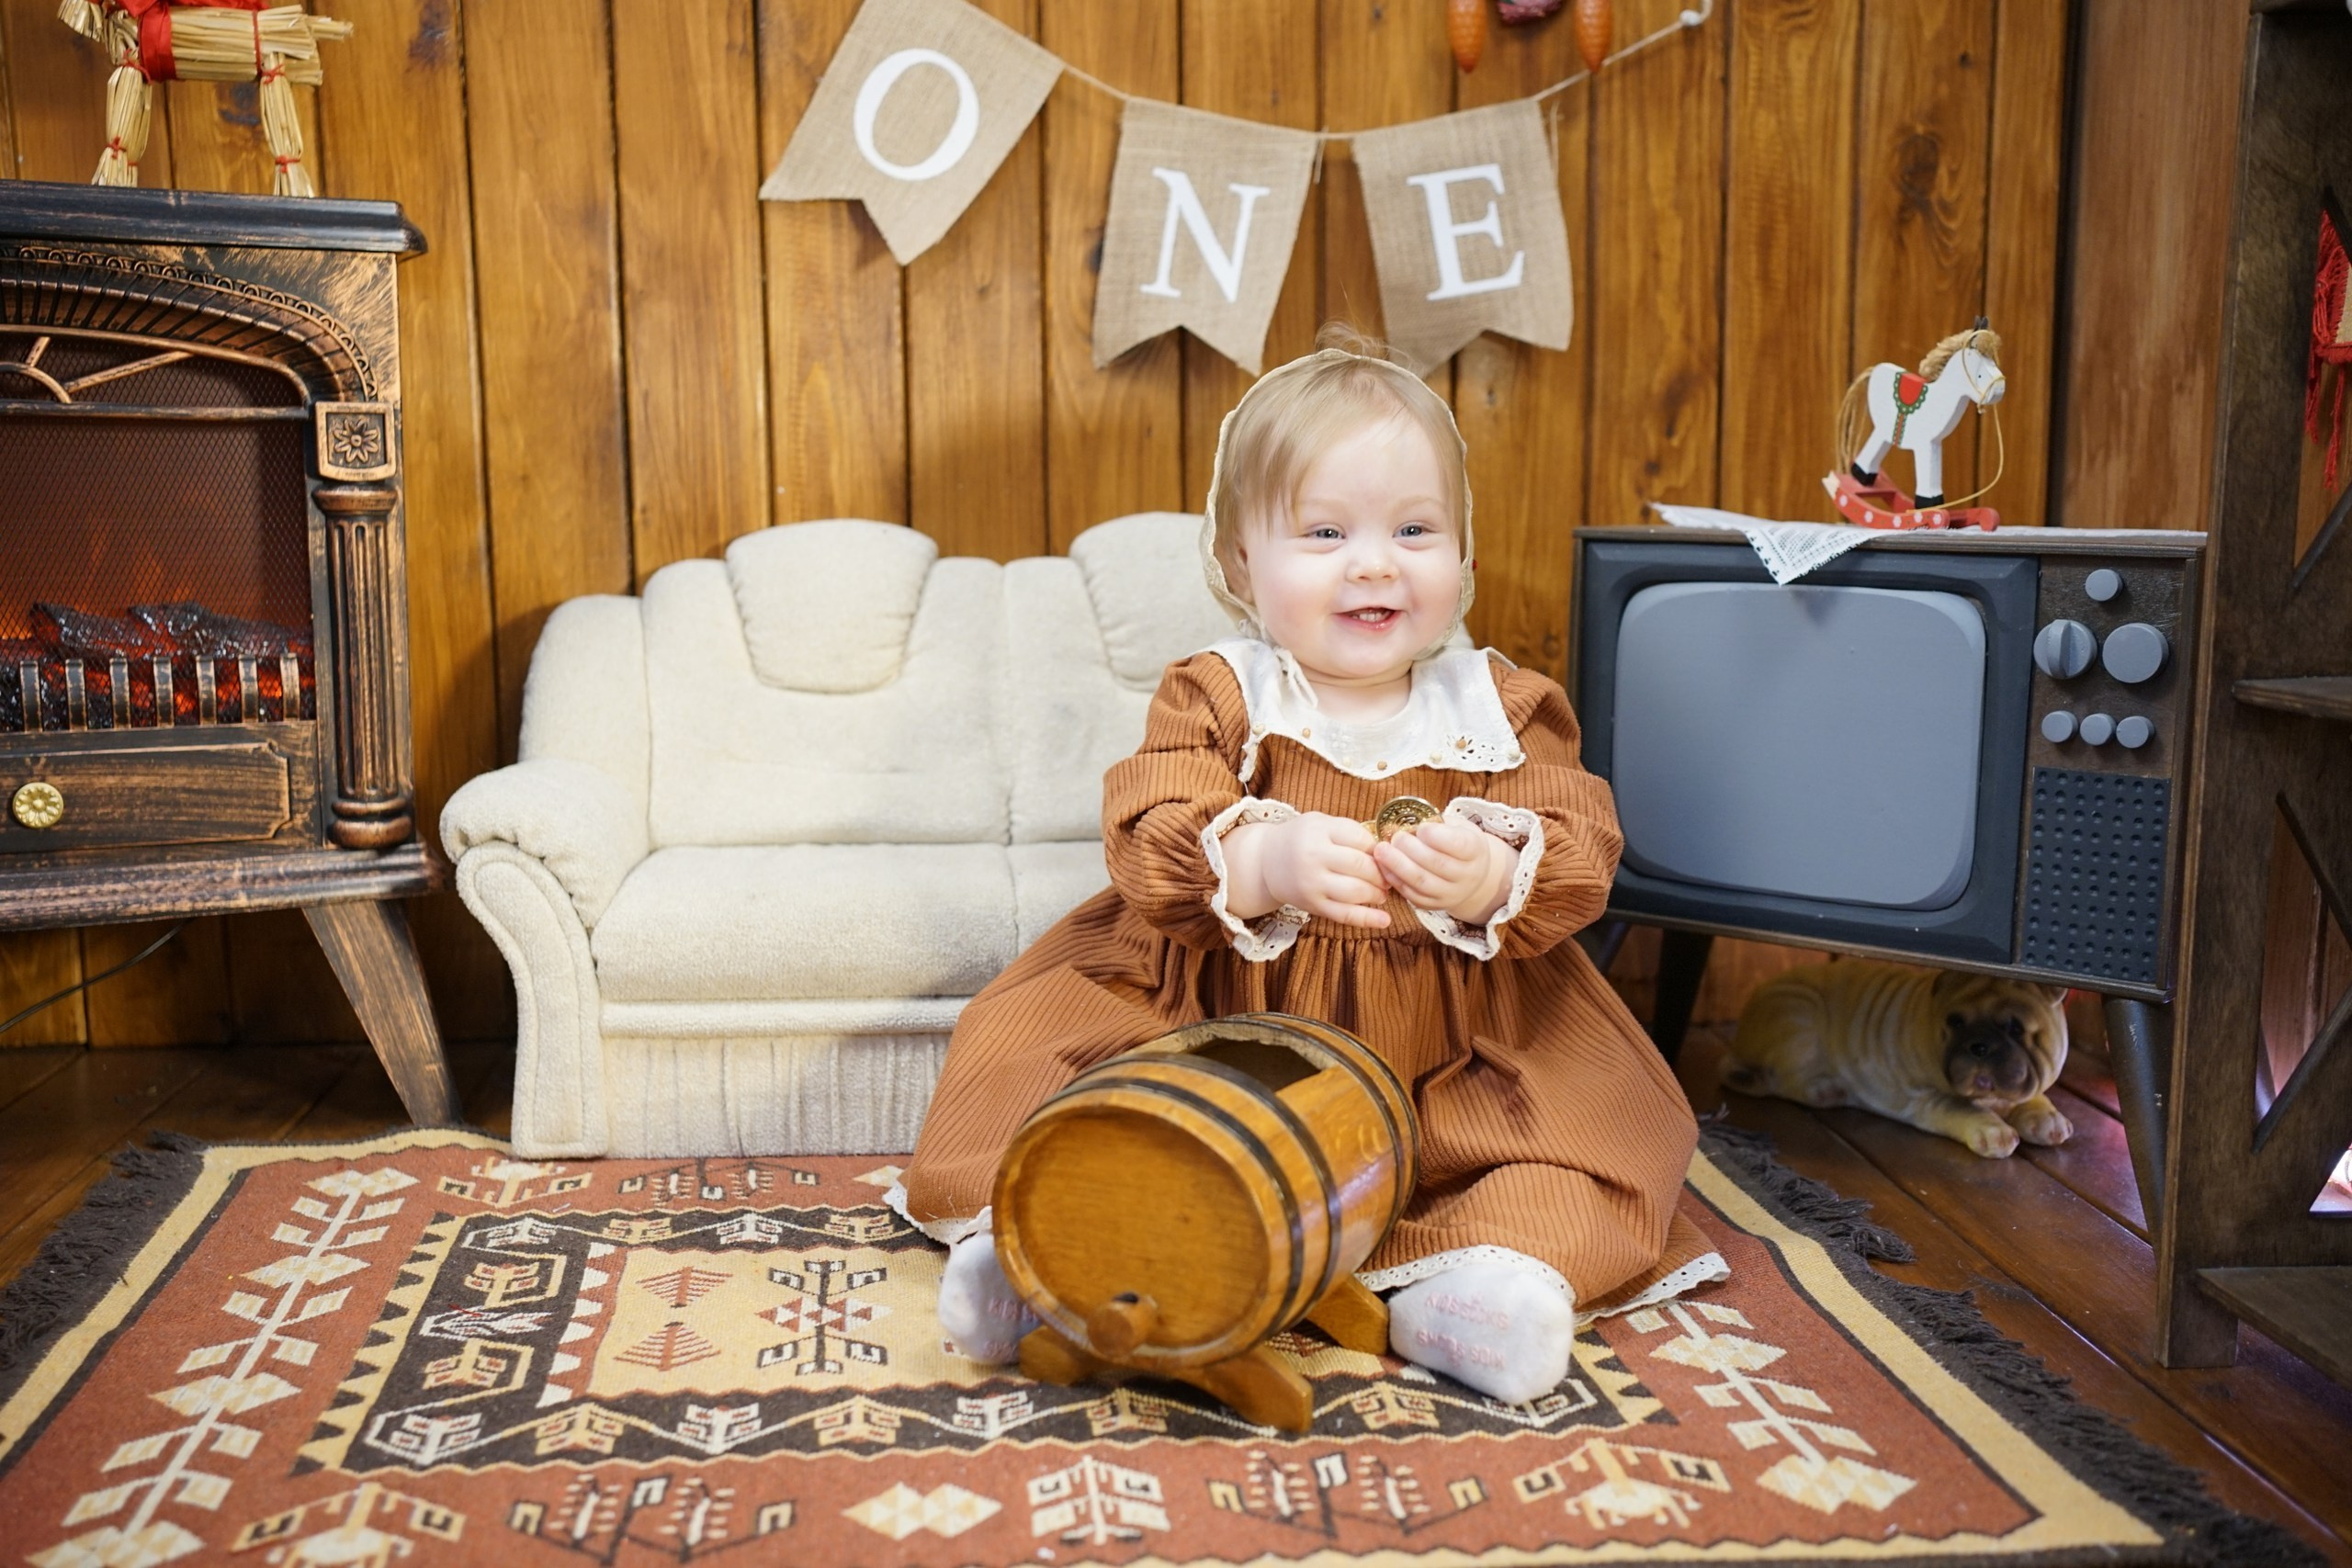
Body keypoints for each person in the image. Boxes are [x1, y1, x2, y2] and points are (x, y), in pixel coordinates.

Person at [892, 330, 1724, 1404]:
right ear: (1241, 566)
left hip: (1450, 1043)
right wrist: (1262, 859)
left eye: (1415, 530)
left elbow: (1578, 838)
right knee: (1044, 1071)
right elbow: (1150, 820)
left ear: (1463, 559)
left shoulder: (1499, 705)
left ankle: (1483, 1285)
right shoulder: (1222, 693)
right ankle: (1041, 1252)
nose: (1374, 562)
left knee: (1593, 1141)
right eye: (1324, 532)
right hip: (1222, 1020)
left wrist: (1483, 877)